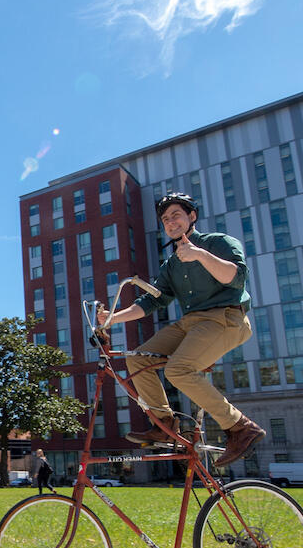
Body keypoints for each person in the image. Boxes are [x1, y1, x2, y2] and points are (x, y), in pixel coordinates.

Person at [98, 192, 265, 467]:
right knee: (137, 358)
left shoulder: (217, 242)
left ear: (192, 216)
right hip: (190, 323)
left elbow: (236, 278)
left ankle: (240, 427)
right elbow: (153, 300)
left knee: (178, 370)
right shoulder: (171, 265)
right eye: (165, 219)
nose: (170, 222)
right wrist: (113, 318)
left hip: (225, 317)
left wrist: (199, 255)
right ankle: (164, 423)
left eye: (176, 215)